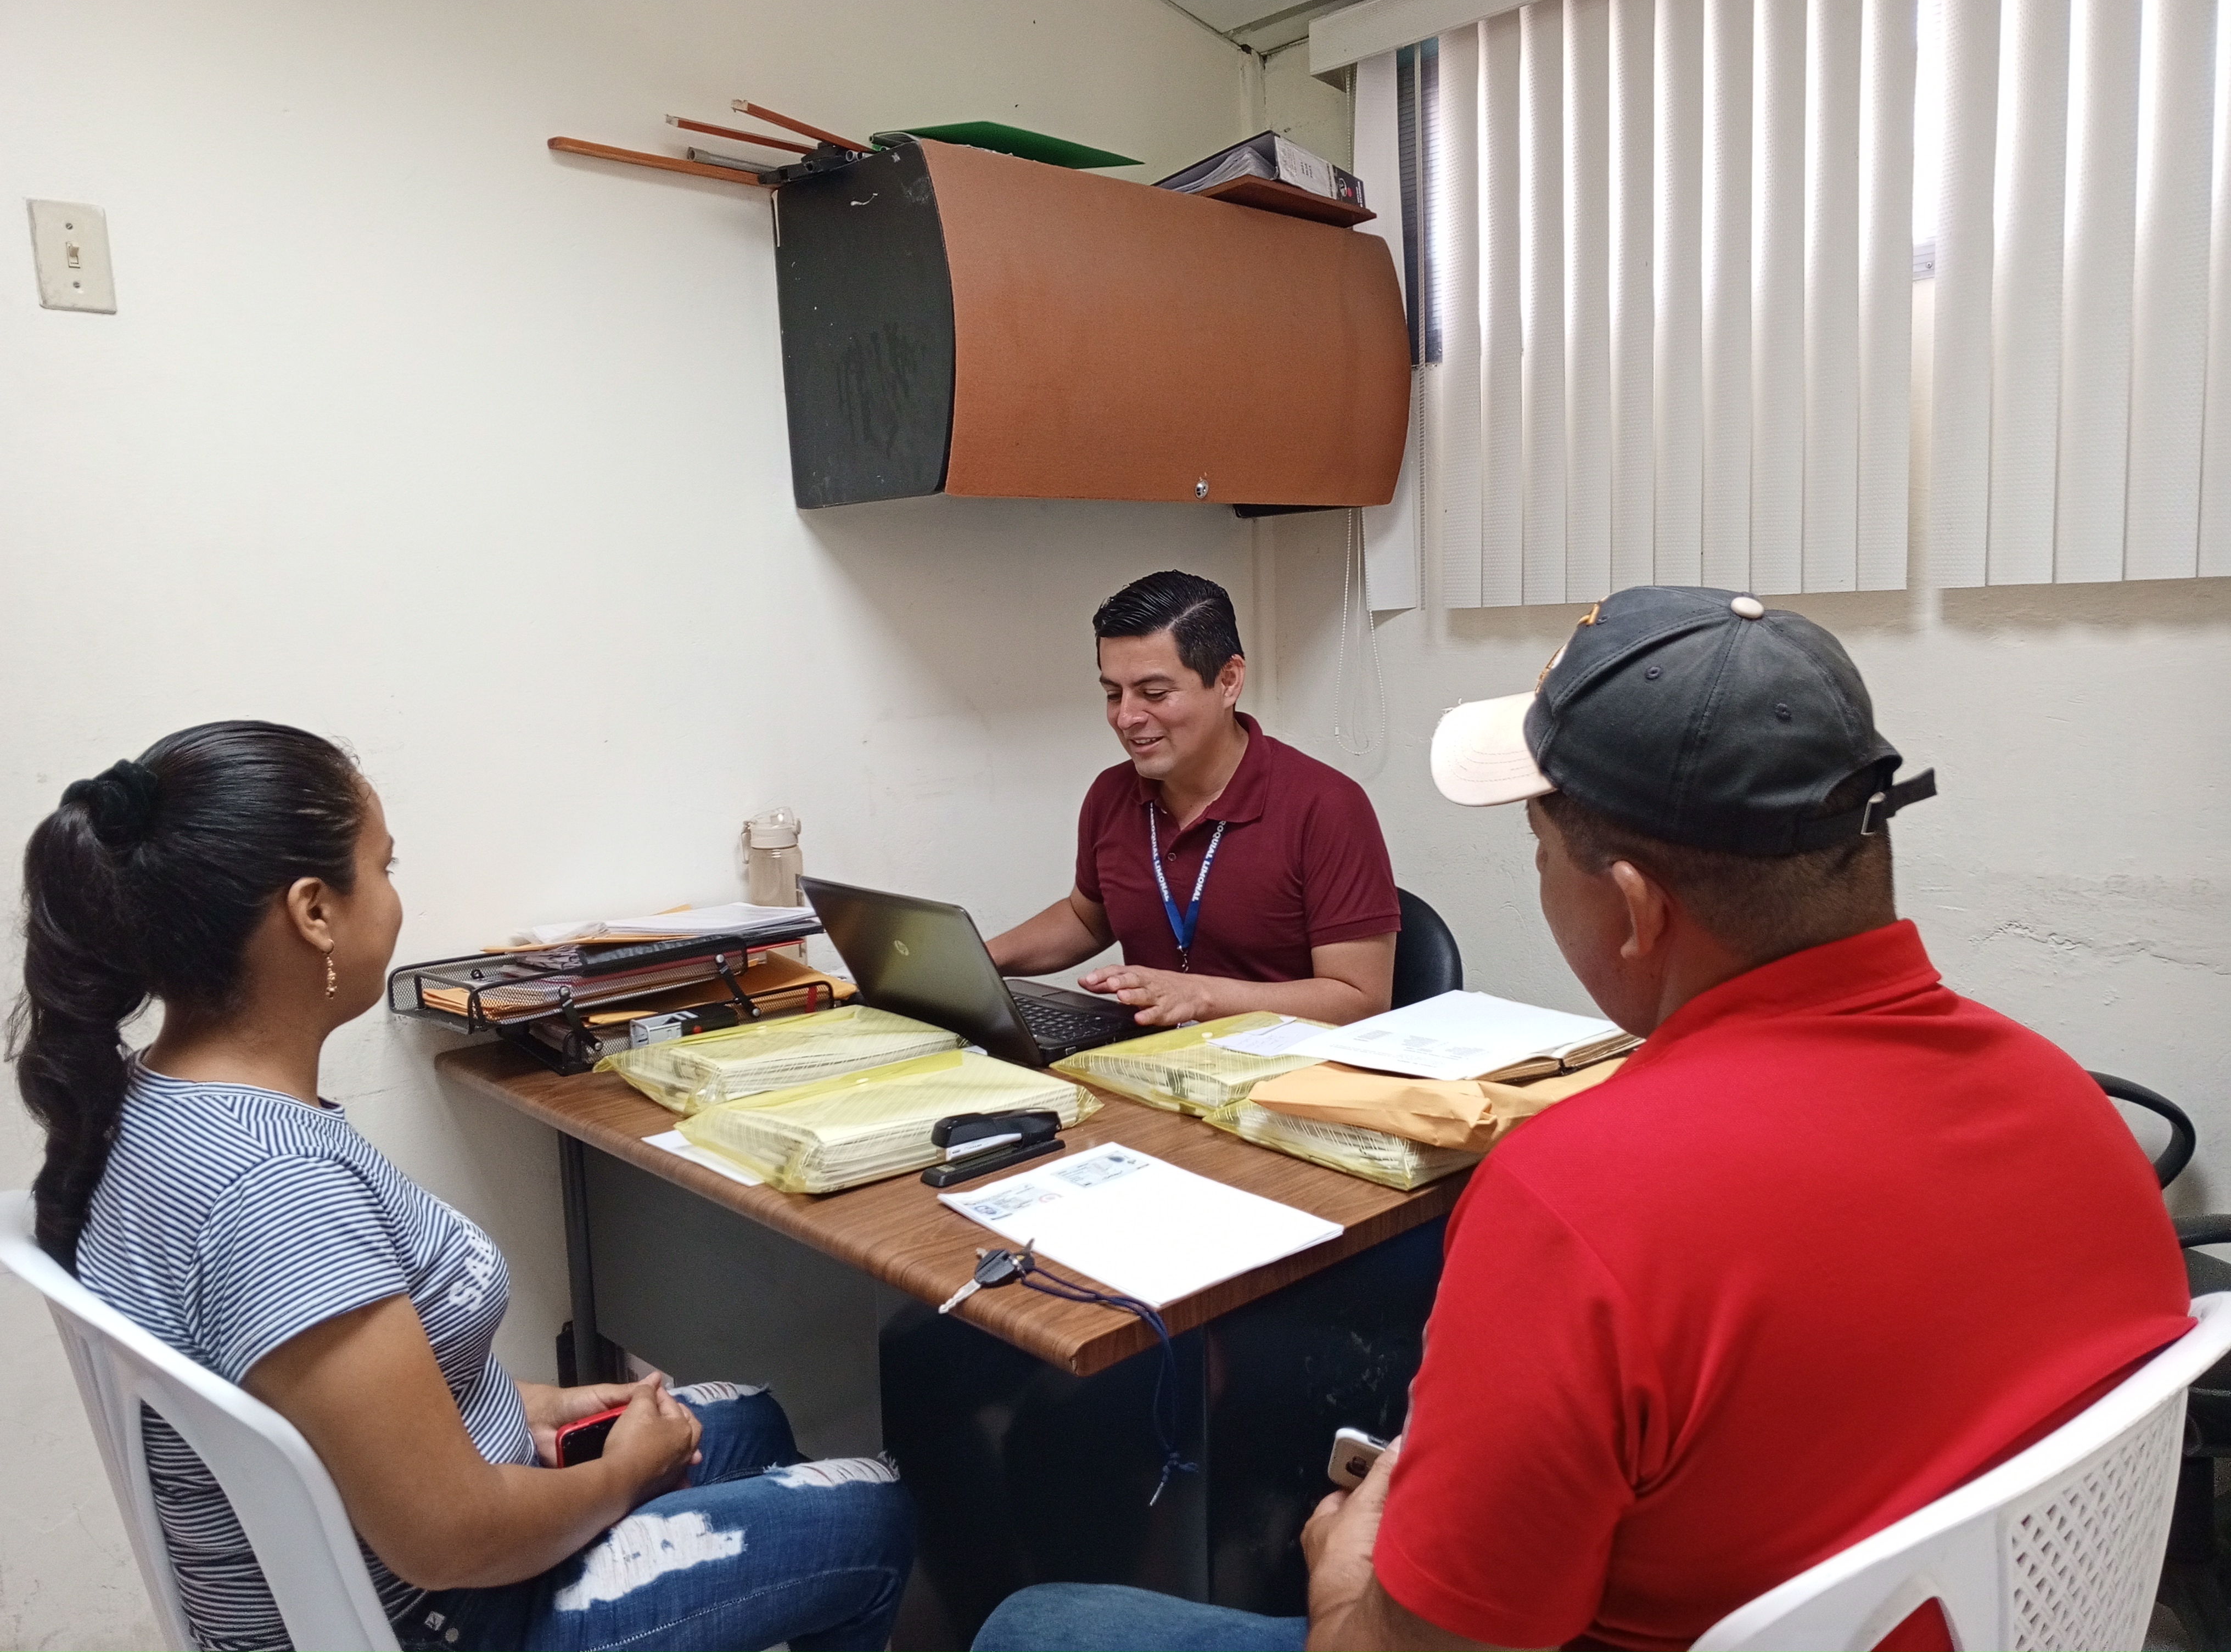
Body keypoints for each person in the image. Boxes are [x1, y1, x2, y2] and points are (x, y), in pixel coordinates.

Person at [972, 586, 2189, 1652]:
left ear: (1635, 908)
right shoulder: (2068, 1108)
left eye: (1536, 847)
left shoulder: (1576, 1201)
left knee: (1035, 1625)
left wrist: (1342, 1576)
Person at [11, 722, 913, 1652]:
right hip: (439, 1615)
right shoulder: (272, 1189)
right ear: (314, 911)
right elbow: (451, 1538)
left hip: (379, 1566)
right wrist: (620, 1477)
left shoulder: (160, 1103)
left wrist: (533, 1406)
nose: (395, 896)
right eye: (384, 867)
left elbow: (332, 1393)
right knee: (871, 1515)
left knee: (749, 1419)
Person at [988, 571, 1400, 1028]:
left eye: (1154, 694)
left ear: (1228, 680)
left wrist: (1200, 996)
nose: (1126, 717)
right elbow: (1087, 919)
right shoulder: (1111, 794)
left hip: (1284, 1065)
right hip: (1150, 1060)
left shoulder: (1327, 805)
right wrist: (978, 962)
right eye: (1113, 694)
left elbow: (1360, 1000)